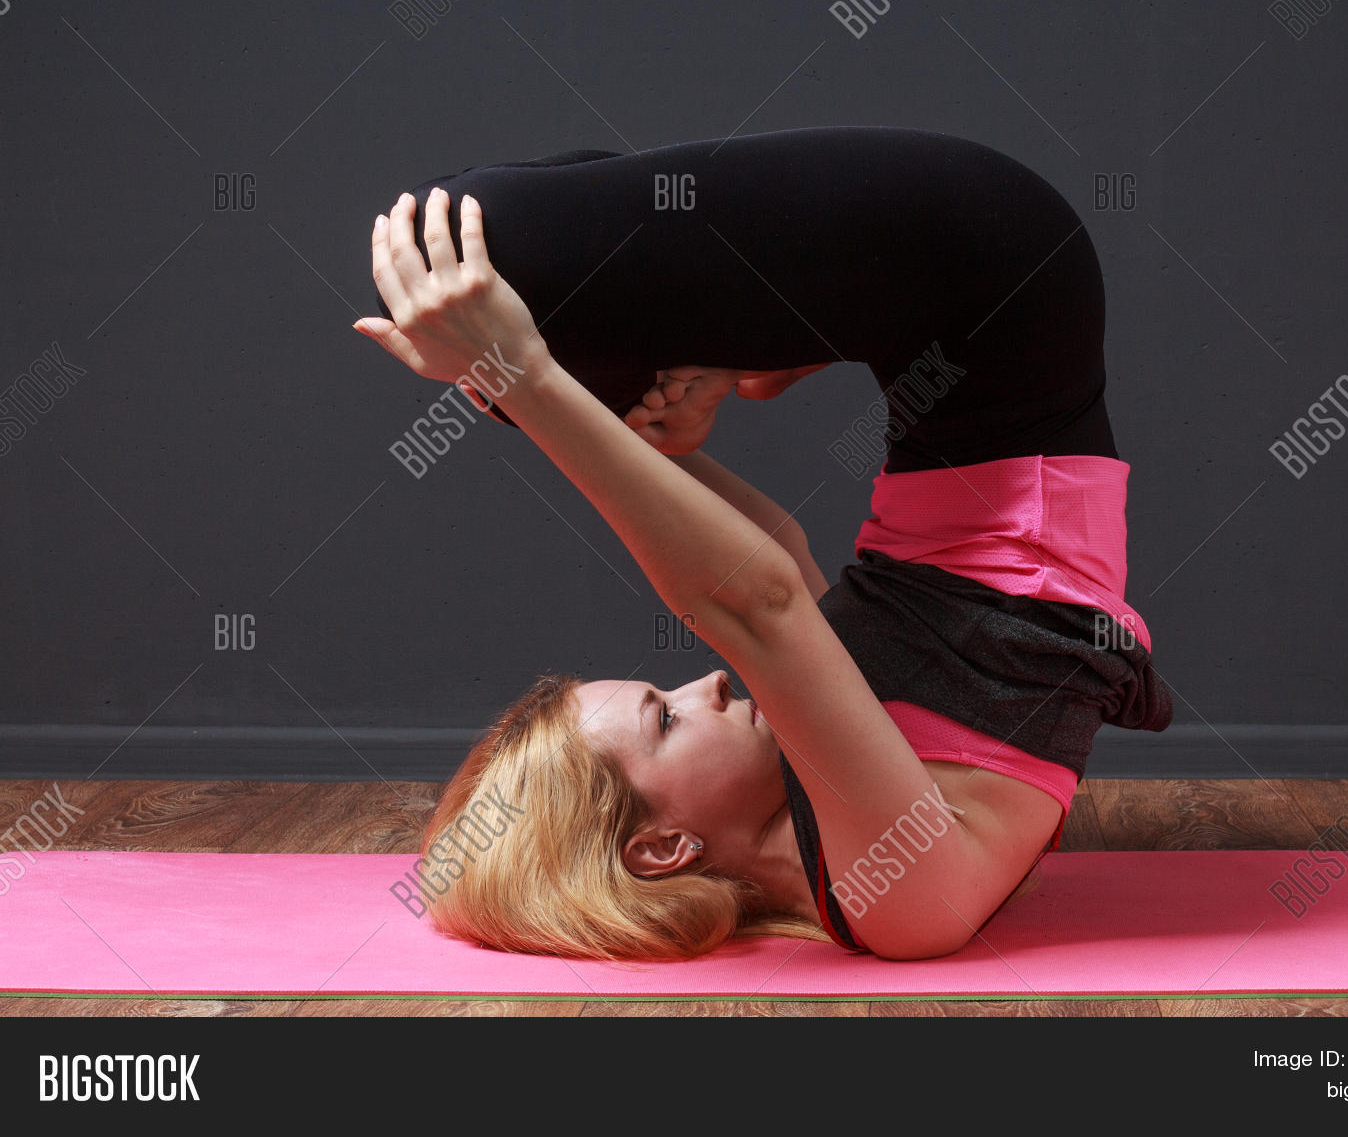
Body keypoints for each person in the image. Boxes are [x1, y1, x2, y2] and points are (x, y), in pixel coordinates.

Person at [356, 126, 1172, 961]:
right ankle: (732, 354)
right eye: (664, 720)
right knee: (485, 240)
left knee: (513, 301)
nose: (706, 681)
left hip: (950, 336)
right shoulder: (898, 896)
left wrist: (643, 431)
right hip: (988, 277)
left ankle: (723, 357)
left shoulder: (831, 826)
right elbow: (759, 597)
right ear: (663, 848)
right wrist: (517, 376)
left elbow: (772, 546)